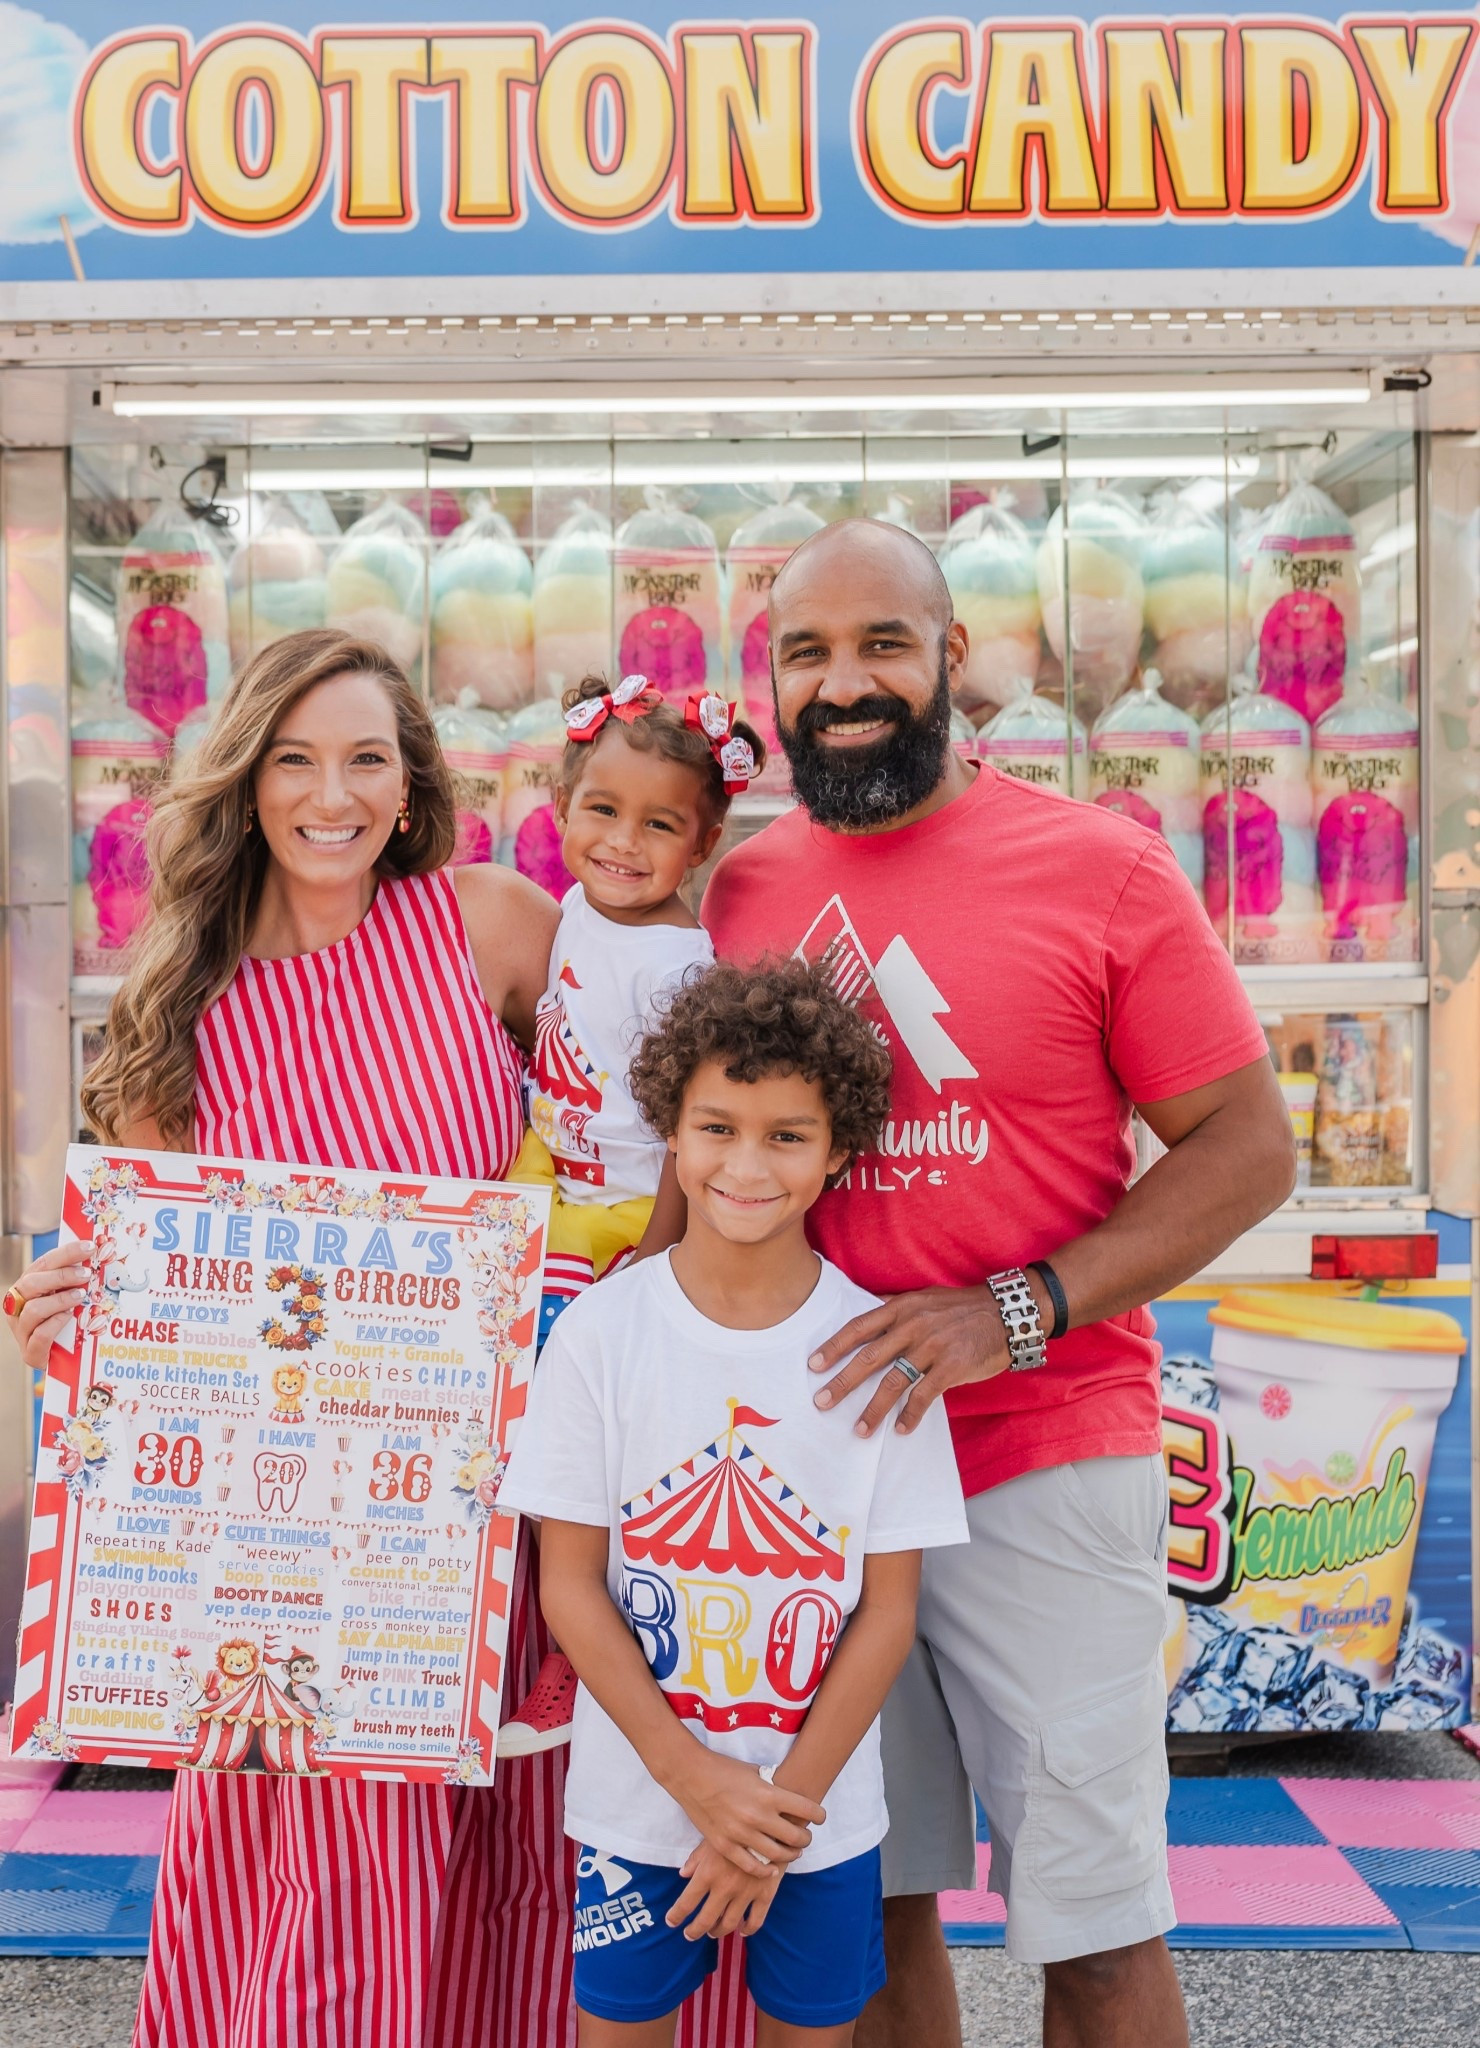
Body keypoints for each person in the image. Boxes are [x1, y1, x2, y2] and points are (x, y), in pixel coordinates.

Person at [702, 520, 1297, 2048]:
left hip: (1047, 1453)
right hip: (812, 1478)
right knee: (860, 1910)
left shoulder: (1103, 866)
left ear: (954, 656)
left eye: (883, 645)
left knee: (1094, 1932)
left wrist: (1014, 1308)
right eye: (807, 654)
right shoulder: (742, 892)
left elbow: (1247, 1148)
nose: (845, 684)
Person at [5, 628, 572, 2048]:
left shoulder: (492, 925)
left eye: (367, 758)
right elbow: (153, 1315)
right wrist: (65, 1325)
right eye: (296, 760)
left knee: (520, 1874)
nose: (333, 795)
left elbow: (641, 1138)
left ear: (411, 779)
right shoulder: (179, 1019)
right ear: (247, 780)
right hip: (285, 1565)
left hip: (489, 1513)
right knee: (323, 1907)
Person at [498, 959, 969, 2047]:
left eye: (786, 1135)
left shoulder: (880, 1352)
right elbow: (569, 1587)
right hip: (637, 1806)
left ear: (838, 1149)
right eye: (717, 1127)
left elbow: (887, 1613)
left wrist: (772, 1820)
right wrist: (696, 1782)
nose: (746, 1165)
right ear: (670, 1131)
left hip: (819, 1816)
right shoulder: (601, 1336)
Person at [499, 672, 767, 1759]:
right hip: (548, 1180)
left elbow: (676, 1132)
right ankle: (508, 1625)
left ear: (703, 842)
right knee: (503, 1398)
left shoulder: (675, 965)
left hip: (616, 1215)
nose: (622, 841)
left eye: (659, 824)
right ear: (561, 807)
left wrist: (654, 1258)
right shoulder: (569, 911)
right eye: (601, 809)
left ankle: (579, 1645)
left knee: (570, 1425)